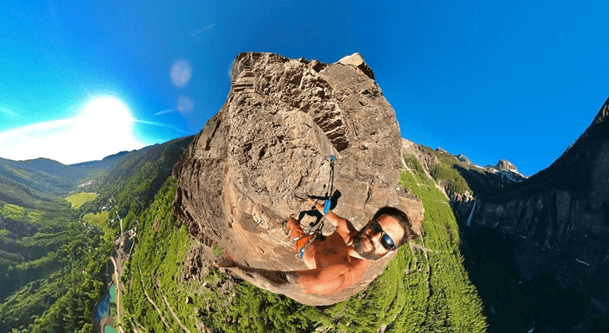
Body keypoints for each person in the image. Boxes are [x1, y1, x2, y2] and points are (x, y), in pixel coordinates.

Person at [217, 198, 417, 295]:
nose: (374, 237)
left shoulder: (344, 272)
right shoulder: (348, 229)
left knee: (291, 224)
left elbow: (282, 283)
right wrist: (318, 206)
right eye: (375, 227)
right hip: (319, 240)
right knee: (313, 232)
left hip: (306, 249)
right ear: (369, 223)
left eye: (387, 241)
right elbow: (336, 219)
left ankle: (292, 231)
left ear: (389, 251)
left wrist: (235, 267)